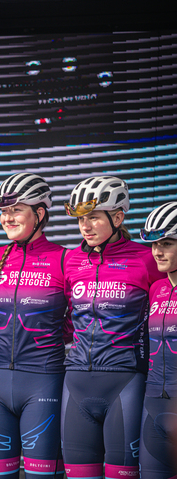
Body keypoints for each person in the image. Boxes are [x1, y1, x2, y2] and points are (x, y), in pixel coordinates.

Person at [0, 172, 73, 479]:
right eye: (4, 211)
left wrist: (48, 334)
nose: (7, 218)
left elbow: (81, 320)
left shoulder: (64, 259)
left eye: (16, 210)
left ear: (39, 214)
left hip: (43, 380)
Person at [61, 176, 164, 479]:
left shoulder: (147, 258)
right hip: (76, 381)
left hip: (126, 382)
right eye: (81, 218)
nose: (85, 226)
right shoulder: (71, 260)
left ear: (117, 217)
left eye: (93, 217)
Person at [139, 201, 177, 479]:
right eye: (154, 244)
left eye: (166, 243)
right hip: (153, 403)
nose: (157, 252)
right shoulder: (157, 288)